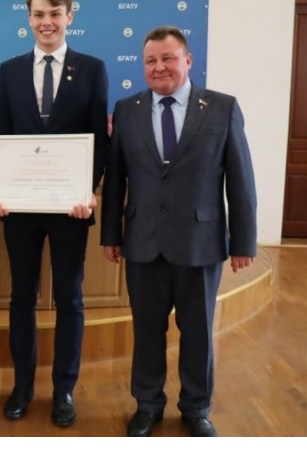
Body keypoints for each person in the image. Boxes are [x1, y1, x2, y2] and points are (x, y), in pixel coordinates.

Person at [101, 26, 257, 437]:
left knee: (199, 332)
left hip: (199, 242)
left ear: (188, 60)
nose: (159, 67)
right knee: (147, 330)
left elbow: (241, 179)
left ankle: (196, 407)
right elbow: (116, 179)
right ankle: (147, 404)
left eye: (168, 58)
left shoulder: (221, 108)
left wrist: (243, 241)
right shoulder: (128, 109)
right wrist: (110, 235)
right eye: (150, 60)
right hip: (142, 242)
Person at [0, 0, 109, 427]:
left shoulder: (92, 69)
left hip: (70, 210)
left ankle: (64, 390)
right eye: (39, 14)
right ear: (29, 19)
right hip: (20, 208)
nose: (47, 22)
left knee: (69, 298)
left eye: (55, 14)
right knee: (22, 296)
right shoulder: (9, 71)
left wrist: (88, 190)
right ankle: (22, 386)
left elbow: (98, 139)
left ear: (69, 16)